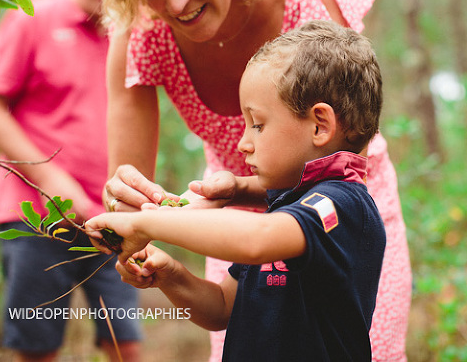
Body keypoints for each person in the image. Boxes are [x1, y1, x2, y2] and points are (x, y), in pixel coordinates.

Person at [93, 0, 411, 361]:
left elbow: (334, 165)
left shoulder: (307, 2)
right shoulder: (143, 34)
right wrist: (136, 216)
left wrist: (159, 222)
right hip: (231, 220)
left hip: (331, 207)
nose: (172, 3)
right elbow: (134, 197)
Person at [86, 20, 387, 361]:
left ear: (320, 125)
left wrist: (146, 224)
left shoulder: (341, 205)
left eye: (257, 124)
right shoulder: (286, 205)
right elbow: (222, 308)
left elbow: (256, 239)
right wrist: (170, 276)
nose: (243, 143)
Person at [0, 0, 142, 362]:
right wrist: (51, 178)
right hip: (37, 217)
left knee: (127, 346)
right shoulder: (35, 18)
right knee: (38, 350)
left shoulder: (129, 36)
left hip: (108, 220)